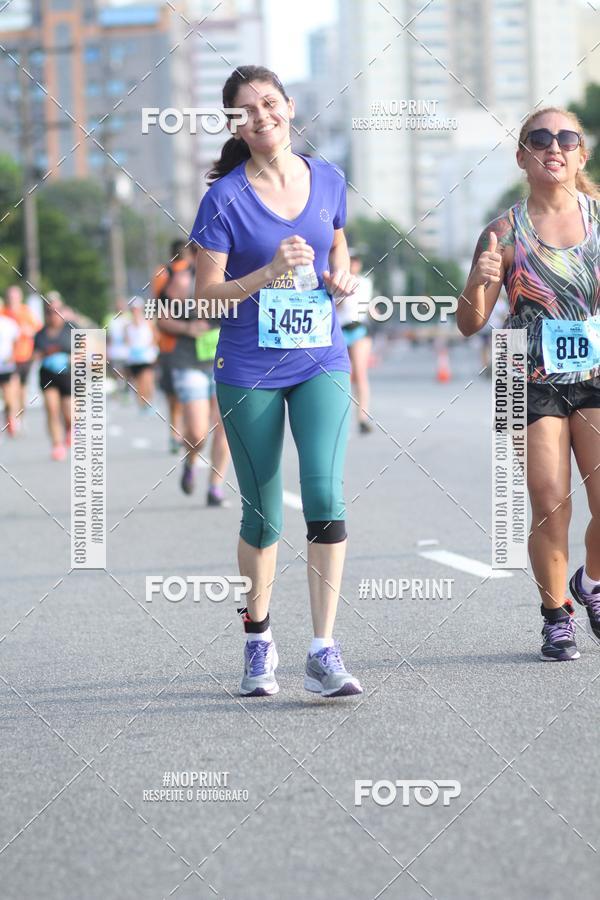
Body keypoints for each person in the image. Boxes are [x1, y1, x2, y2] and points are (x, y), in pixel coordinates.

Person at [190, 64, 363, 698]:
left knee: (325, 493)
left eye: (269, 103)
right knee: (263, 513)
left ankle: (323, 648)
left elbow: (336, 246)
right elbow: (206, 297)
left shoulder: (329, 178)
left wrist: (339, 276)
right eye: (245, 111)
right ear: (235, 125)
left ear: (289, 107)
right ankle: (258, 637)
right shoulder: (223, 199)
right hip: (249, 366)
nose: (261, 117)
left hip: (320, 356)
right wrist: (265, 273)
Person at [457, 106, 600, 661]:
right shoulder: (501, 233)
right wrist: (478, 280)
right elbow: (470, 321)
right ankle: (556, 614)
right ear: (522, 156)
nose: (554, 146)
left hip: (594, 372)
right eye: (539, 139)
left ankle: (588, 581)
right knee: (548, 498)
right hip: (527, 372)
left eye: (567, 138)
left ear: (581, 154)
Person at [155, 257, 231, 504]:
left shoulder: (233, 270)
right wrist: (188, 328)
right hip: (188, 362)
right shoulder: (180, 277)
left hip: (226, 359)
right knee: (198, 433)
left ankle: (215, 487)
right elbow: (161, 318)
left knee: (225, 426)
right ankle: (191, 460)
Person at [152, 240, 190, 452]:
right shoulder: (192, 272)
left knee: (173, 395)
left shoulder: (161, 273)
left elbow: (156, 306)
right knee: (192, 394)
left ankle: (175, 433)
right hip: (195, 342)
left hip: (168, 343)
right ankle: (184, 432)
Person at [336, 248, 374, 432]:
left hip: (358, 328)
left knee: (360, 373)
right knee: (343, 375)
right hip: (340, 330)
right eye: (351, 260)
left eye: (357, 261)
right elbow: (338, 306)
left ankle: (362, 416)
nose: (355, 264)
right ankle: (342, 416)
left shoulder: (365, 282)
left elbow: (365, 304)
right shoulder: (336, 281)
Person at [33, 292, 73, 460]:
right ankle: (57, 444)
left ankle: (70, 429)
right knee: (51, 408)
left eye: (57, 310)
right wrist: (45, 355)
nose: (53, 315)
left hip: (68, 375)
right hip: (48, 375)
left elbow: (85, 349)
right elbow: (35, 355)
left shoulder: (70, 329)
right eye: (50, 311)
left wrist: (72, 357)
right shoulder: (40, 334)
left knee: (69, 413)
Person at [1, 284, 41, 430]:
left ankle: (19, 416)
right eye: (10, 297)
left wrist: (26, 330)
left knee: (22, 391)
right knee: (12, 388)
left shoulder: (26, 311)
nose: (12, 299)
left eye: (15, 297)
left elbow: (36, 330)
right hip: (9, 359)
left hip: (25, 356)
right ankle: (11, 418)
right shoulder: (3, 312)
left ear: (20, 298)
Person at [125, 297, 158, 412]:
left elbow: (155, 338)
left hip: (147, 357)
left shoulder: (148, 322)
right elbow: (127, 341)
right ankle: (142, 405)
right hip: (134, 358)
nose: (135, 311)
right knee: (138, 383)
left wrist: (152, 350)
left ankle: (149, 402)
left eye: (137, 309)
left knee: (147, 380)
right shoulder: (128, 326)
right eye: (133, 309)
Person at [0, 298, 19, 436]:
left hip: (5, 366)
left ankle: (10, 418)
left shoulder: (9, 324)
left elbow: (17, 343)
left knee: (8, 398)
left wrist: (12, 356)